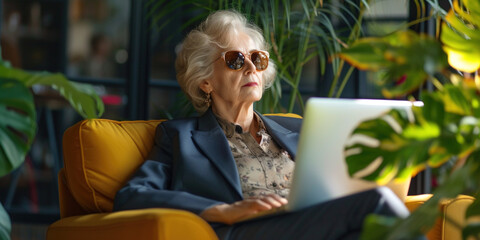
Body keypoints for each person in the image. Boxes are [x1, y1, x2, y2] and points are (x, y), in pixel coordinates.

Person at [113, 10, 415, 240]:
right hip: (248, 231)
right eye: (235, 60)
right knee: (376, 203)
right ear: (205, 81)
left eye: (257, 59)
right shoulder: (180, 136)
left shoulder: (297, 129)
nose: (250, 67)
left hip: (315, 223)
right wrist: (224, 211)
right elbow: (132, 195)